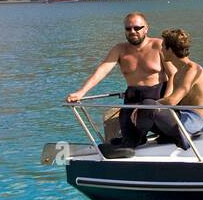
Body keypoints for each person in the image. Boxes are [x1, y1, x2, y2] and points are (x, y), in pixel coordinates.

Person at [65, 13, 164, 149]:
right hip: (133, 98)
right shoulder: (120, 49)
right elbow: (102, 70)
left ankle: (166, 135)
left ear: (146, 28)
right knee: (127, 135)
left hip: (157, 96)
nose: (132, 31)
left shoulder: (159, 45)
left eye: (137, 28)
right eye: (128, 29)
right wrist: (82, 92)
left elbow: (175, 74)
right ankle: (132, 142)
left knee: (151, 118)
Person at [140, 28, 203, 151]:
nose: (161, 50)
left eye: (163, 46)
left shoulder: (192, 70)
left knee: (146, 105)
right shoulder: (179, 73)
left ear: (170, 49)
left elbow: (172, 101)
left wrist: (148, 106)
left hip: (194, 121)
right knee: (135, 111)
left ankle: (181, 138)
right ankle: (132, 141)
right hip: (181, 115)